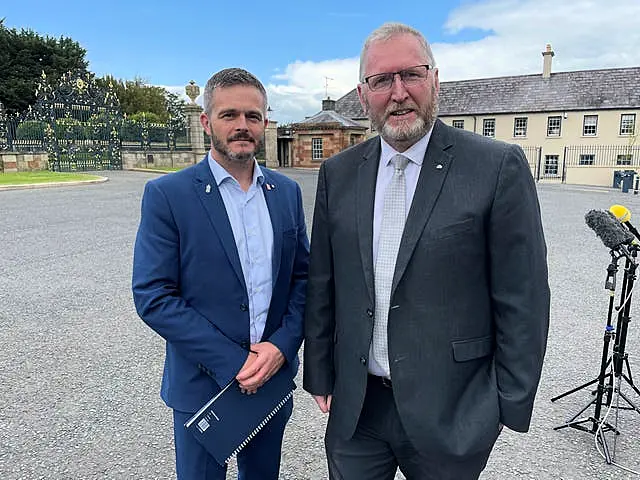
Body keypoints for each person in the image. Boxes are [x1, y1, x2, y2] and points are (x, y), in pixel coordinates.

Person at [303, 22, 550, 480]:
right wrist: (319, 372)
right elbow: (324, 281)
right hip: (358, 409)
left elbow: (524, 297)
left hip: (453, 409)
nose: (398, 93)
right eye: (381, 81)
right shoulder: (338, 174)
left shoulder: (495, 166)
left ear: (435, 79)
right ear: (363, 96)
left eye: (411, 75)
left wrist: (501, 405)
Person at [132, 68, 309, 480]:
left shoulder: (285, 193)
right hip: (202, 385)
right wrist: (234, 363)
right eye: (229, 115)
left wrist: (280, 348)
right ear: (206, 121)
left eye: (253, 116)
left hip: (271, 377)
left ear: (265, 121)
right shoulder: (168, 195)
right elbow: (153, 295)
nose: (242, 126)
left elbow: (304, 280)